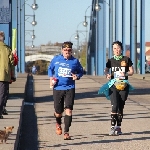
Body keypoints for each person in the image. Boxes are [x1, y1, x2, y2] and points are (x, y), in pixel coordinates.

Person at [48, 41, 83, 140]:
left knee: (69, 110)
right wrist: (51, 78)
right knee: (58, 112)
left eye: (69, 50)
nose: (67, 52)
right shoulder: (56, 59)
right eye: (65, 50)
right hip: (58, 88)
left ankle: (66, 132)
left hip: (70, 88)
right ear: (62, 50)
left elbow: (81, 71)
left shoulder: (75, 61)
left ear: (72, 51)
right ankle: (58, 123)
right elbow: (50, 69)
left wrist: (77, 76)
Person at [98, 41, 134, 135]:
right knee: (114, 105)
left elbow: (132, 71)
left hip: (123, 85)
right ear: (112, 50)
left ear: (121, 49)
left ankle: (118, 127)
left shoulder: (126, 59)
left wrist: (125, 73)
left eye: (118, 48)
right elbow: (105, 70)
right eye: (114, 48)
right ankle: (112, 127)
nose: (116, 50)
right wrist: (107, 75)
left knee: (120, 107)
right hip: (113, 85)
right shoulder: (110, 61)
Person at [0, 31, 15, 118]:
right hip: (3, 75)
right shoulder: (7, 49)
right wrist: (12, 76)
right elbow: (11, 64)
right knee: (2, 95)